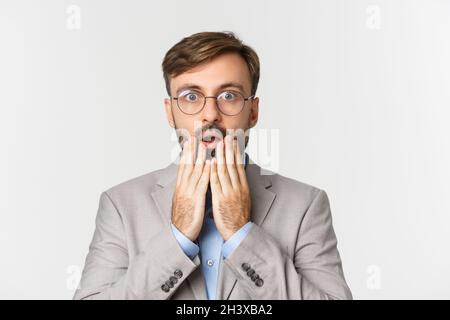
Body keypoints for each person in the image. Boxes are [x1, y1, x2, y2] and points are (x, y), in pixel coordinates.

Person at [74, 31, 352, 300]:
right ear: (170, 112)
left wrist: (241, 235)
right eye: (191, 97)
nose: (210, 114)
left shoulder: (305, 205)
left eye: (228, 96)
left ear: (253, 112)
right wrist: (177, 236)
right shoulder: (121, 205)